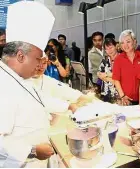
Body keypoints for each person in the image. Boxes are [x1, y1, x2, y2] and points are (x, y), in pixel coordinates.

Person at [0, 1, 56, 167]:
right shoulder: (3, 85)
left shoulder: (21, 78)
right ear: (20, 56)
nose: (40, 65)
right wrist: (32, 151)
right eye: (38, 59)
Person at [112, 29, 140, 105]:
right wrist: (122, 96)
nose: (125, 45)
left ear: (134, 42)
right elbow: (116, 80)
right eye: (122, 43)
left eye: (128, 41)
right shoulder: (118, 59)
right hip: (125, 99)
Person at [97, 38, 119, 102]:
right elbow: (99, 74)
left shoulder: (122, 59)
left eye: (111, 47)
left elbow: (121, 76)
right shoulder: (105, 60)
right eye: (107, 49)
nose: (109, 50)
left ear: (116, 46)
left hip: (118, 94)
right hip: (106, 93)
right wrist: (112, 78)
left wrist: (106, 75)